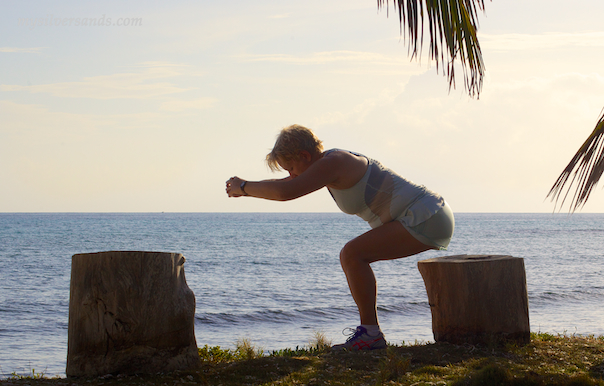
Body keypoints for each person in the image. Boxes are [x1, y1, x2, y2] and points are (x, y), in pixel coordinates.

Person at [225, 124, 454, 351]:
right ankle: (370, 332)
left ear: (305, 156)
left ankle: (370, 334)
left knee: (353, 254)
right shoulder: (325, 165)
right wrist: (244, 187)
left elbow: (287, 191)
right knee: (353, 255)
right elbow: (286, 184)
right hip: (424, 215)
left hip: (425, 215)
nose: (290, 174)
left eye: (292, 167)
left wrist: (244, 187)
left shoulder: (335, 162)